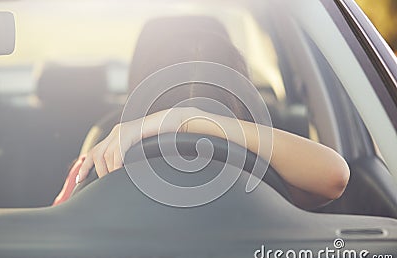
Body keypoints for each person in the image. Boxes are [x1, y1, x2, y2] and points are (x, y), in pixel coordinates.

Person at [54, 17, 350, 209]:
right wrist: (191, 122)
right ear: (241, 101)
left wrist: (178, 120)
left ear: (138, 91)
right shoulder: (263, 175)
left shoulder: (98, 165)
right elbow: (334, 176)